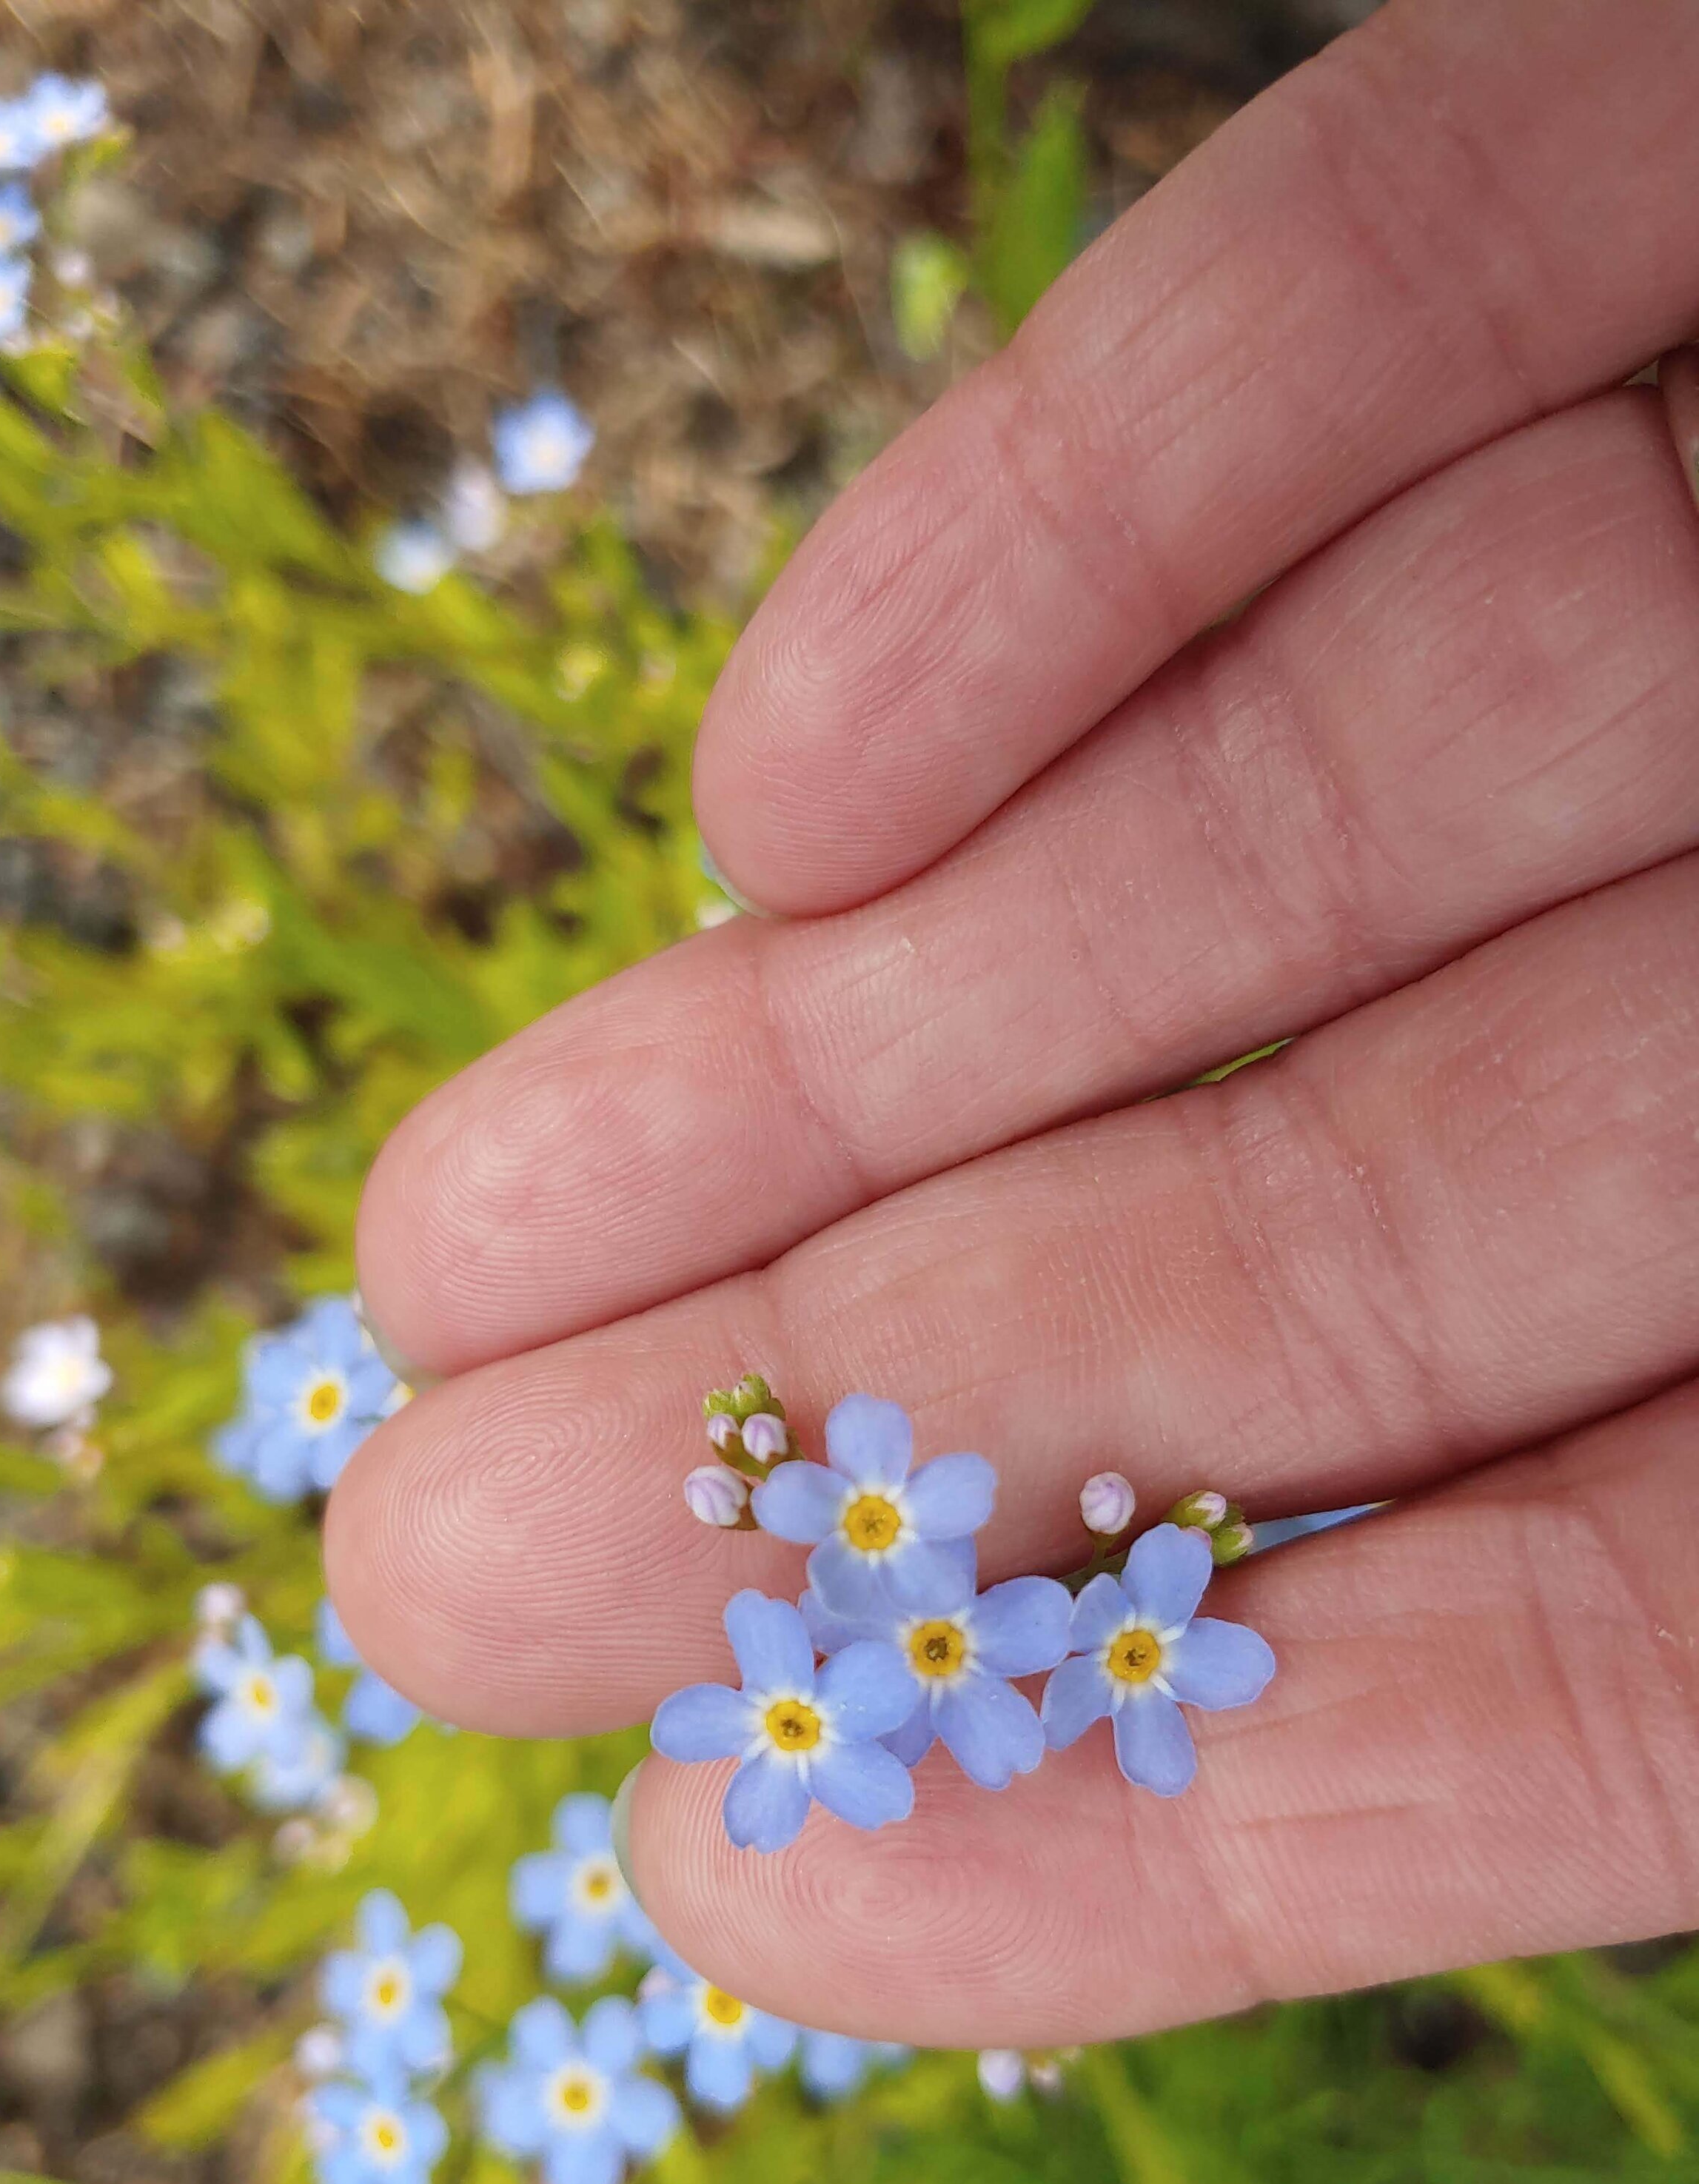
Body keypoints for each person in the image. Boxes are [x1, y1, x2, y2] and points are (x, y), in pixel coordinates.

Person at [327, 0, 1699, 2051]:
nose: (854, 1570)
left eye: (850, 1565)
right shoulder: (888, 1586)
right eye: (848, 1571)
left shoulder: (922, 1580)